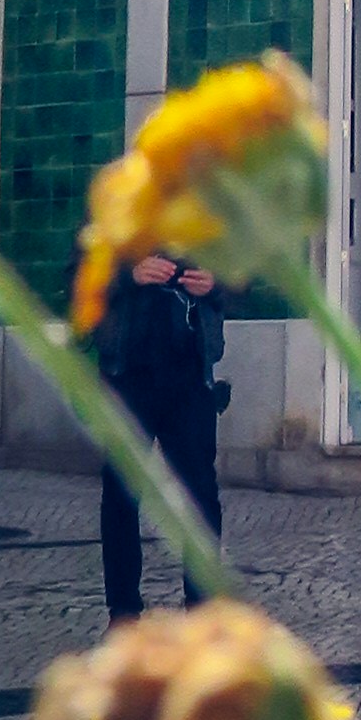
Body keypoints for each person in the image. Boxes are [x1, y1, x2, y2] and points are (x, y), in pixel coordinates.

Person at [90, 244, 224, 629]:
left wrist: (215, 285)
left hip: (190, 375)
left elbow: (242, 276)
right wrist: (127, 276)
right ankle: (124, 612)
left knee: (200, 495)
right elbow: (78, 279)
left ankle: (202, 610)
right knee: (121, 492)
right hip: (126, 374)